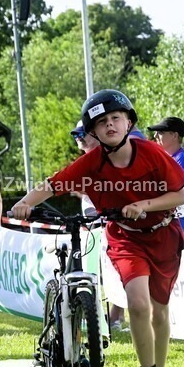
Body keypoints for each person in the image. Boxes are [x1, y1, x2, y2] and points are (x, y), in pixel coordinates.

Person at [12, 89, 184, 367]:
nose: (110, 125)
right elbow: (51, 185)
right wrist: (24, 203)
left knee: (160, 312)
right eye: (102, 122)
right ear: (92, 131)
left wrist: (143, 204)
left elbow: (179, 195)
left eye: (115, 119)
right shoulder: (90, 162)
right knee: (138, 303)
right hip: (126, 238)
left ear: (128, 122)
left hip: (163, 235)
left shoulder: (151, 152)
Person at [72, 120, 127, 332]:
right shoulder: (86, 159)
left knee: (114, 268)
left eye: (81, 134)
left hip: (109, 218)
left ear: (94, 135)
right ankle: (98, 314)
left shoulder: (110, 156)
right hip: (92, 219)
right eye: (76, 135)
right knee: (96, 268)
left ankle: (114, 317)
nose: (78, 139)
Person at [148, 116, 184, 244]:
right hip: (177, 225)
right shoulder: (175, 158)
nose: (155, 136)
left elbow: (166, 190)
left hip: (182, 225)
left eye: (161, 132)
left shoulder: (183, 158)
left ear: (175, 135)